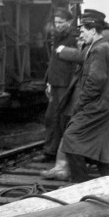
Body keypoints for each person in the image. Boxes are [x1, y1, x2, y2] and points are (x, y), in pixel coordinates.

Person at [59, 9, 109, 182]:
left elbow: (96, 80)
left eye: (83, 30)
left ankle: (80, 184)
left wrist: (81, 104)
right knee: (102, 146)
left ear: (93, 30)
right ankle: (105, 186)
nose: (81, 33)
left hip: (97, 105)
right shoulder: (98, 47)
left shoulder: (100, 49)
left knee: (71, 138)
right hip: (103, 105)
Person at [42, 8, 79, 162]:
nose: (58, 25)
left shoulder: (74, 37)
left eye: (61, 22)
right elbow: (53, 63)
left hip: (66, 85)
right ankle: (50, 152)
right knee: (51, 118)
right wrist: (49, 82)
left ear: (69, 22)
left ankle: (64, 156)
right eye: (56, 22)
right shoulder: (57, 36)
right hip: (56, 83)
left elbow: (77, 63)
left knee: (64, 119)